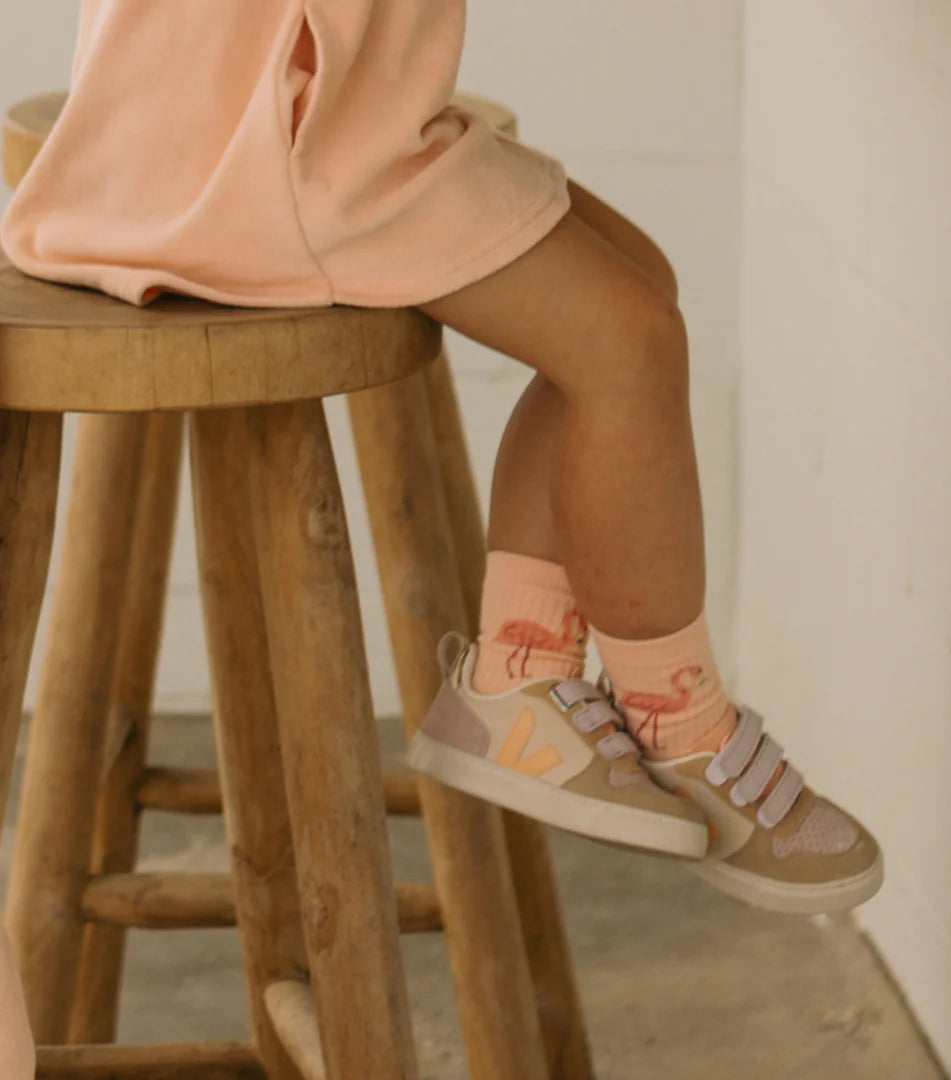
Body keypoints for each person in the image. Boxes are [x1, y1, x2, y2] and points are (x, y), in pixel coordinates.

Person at [3, 0, 881, 960]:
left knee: (639, 289)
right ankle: (683, 723)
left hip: (281, 120)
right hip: (265, 158)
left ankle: (523, 673)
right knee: (627, 344)